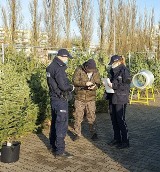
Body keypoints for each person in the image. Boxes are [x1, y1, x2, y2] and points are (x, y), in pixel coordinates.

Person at [46, 49, 74, 158]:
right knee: (61, 125)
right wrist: (71, 87)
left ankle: (53, 145)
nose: (67, 60)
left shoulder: (51, 66)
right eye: (67, 58)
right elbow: (63, 86)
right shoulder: (59, 68)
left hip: (53, 98)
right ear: (63, 56)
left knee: (54, 122)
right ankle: (60, 151)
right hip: (60, 99)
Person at [105, 55, 131, 149]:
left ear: (118, 62)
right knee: (114, 119)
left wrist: (114, 85)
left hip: (121, 98)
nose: (111, 65)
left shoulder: (124, 71)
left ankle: (125, 141)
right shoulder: (113, 71)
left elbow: (126, 86)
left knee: (121, 120)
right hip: (113, 97)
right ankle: (117, 139)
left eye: (113, 63)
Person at [72, 59, 101, 141]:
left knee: (92, 116)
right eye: (89, 70)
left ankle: (94, 133)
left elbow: (98, 83)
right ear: (86, 67)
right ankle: (77, 133)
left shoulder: (96, 71)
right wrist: (85, 84)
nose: (91, 72)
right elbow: (74, 81)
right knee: (78, 116)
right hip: (79, 97)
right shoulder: (79, 70)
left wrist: (94, 87)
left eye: (92, 70)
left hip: (91, 98)